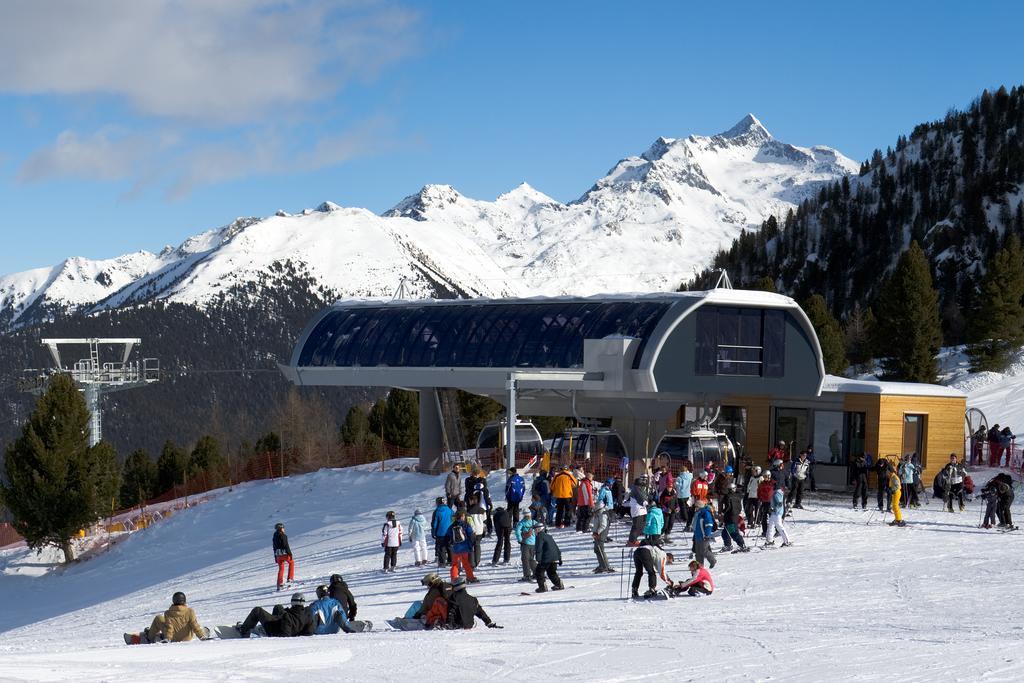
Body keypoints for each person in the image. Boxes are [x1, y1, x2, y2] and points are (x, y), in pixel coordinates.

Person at [124, 591, 207, 645]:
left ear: (173, 601)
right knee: (190, 624)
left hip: (173, 638)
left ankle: (149, 637)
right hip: (187, 638)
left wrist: (168, 639)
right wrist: (201, 636)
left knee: (158, 618)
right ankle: (157, 635)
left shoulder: (168, 613)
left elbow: (169, 627)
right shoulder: (190, 611)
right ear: (184, 601)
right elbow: (194, 625)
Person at [237, 593, 315, 638]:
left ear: (292, 602)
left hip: (275, 633)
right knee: (278, 607)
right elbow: (309, 632)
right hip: (291, 628)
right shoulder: (308, 614)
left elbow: (285, 635)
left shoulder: (287, 616)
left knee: (257, 610)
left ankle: (244, 631)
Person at [446, 510, 477, 582]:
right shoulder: (466, 524)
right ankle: (470, 577)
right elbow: (471, 535)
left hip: (455, 548)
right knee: (466, 563)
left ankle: (454, 578)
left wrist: (450, 543)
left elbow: (448, 535)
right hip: (464, 547)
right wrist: (471, 544)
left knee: (455, 564)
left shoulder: (452, 525)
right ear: (462, 516)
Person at [533, 524, 564, 592]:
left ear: (538, 529)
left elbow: (539, 549)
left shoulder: (539, 536)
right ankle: (559, 584)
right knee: (551, 572)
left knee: (539, 572)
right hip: (554, 558)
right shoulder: (549, 536)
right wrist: (559, 558)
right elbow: (556, 547)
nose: (534, 532)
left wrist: (538, 560)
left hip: (546, 559)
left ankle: (542, 587)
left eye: (535, 530)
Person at [720, 483, 748, 552]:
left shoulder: (728, 496)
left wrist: (723, 512)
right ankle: (728, 545)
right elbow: (740, 507)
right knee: (725, 532)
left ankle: (742, 545)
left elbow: (728, 507)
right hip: (735, 516)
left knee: (732, 532)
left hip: (730, 517)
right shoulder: (738, 496)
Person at [765, 481, 792, 546]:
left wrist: (774, 509)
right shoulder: (775, 492)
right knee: (771, 526)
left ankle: (787, 541)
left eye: (772, 486)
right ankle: (769, 541)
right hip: (774, 513)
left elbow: (779, 503)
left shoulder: (777, 493)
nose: (771, 487)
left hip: (777, 513)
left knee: (779, 526)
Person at [515, 510, 539, 581]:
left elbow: (517, 531)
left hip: (525, 543)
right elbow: (539, 528)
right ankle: (537, 574)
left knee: (525, 559)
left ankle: (527, 575)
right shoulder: (533, 522)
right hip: (533, 543)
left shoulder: (521, 523)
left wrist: (520, 540)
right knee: (531, 559)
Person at [692, 498, 716, 568]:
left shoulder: (705, 513)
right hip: (697, 535)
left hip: (704, 535)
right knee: (698, 552)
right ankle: (700, 566)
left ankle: (713, 560)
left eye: (696, 506)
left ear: (699, 506)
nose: (695, 508)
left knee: (704, 550)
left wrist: (707, 534)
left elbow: (709, 524)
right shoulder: (698, 513)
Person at [431, 497, 454, 567]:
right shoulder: (450, 510)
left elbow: (434, 524)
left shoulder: (437, 511)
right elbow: (453, 519)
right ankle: (451, 560)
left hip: (440, 532)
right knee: (449, 546)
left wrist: (433, 532)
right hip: (449, 531)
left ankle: (442, 562)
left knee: (441, 547)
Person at [591, 502, 614, 573]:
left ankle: (606, 566)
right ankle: (601, 564)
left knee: (600, 549)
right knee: (597, 549)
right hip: (597, 533)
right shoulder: (598, 513)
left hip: (601, 534)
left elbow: (603, 525)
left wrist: (597, 532)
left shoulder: (602, 514)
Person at [465, 495, 487, 568]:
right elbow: (485, 521)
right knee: (477, 545)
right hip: (480, 530)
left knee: (471, 547)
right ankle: (477, 561)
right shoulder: (482, 510)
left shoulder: (468, 511)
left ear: (471, 501)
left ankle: (472, 563)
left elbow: (468, 522)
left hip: (471, 531)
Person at [272, 522, 295, 591]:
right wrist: (290, 554)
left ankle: (280, 583)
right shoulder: (283, 535)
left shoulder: (274, 536)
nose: (284, 529)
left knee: (281, 569)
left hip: (278, 555)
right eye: (283, 528)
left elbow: (274, 547)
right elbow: (286, 545)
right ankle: (290, 579)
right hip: (285, 554)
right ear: (280, 528)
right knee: (291, 563)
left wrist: (275, 557)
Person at [675, 463, 694, 531]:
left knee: (683, 507)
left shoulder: (679, 478)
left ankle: (685, 518)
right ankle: (688, 518)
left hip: (681, 495)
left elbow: (677, 486)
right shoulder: (690, 476)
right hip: (688, 494)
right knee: (688, 507)